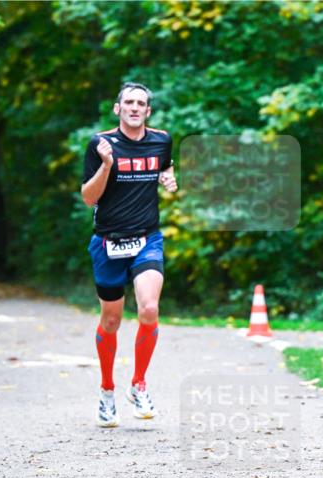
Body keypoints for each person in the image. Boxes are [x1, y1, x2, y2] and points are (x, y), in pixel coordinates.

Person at [81, 82, 177, 427]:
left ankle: (138, 383)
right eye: (129, 102)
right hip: (108, 242)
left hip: (147, 238)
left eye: (141, 103)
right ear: (117, 108)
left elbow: (164, 166)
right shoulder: (100, 144)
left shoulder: (161, 139)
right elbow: (88, 198)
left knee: (149, 308)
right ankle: (107, 391)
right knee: (111, 320)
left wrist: (169, 178)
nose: (135, 107)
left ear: (148, 111)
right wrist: (106, 166)